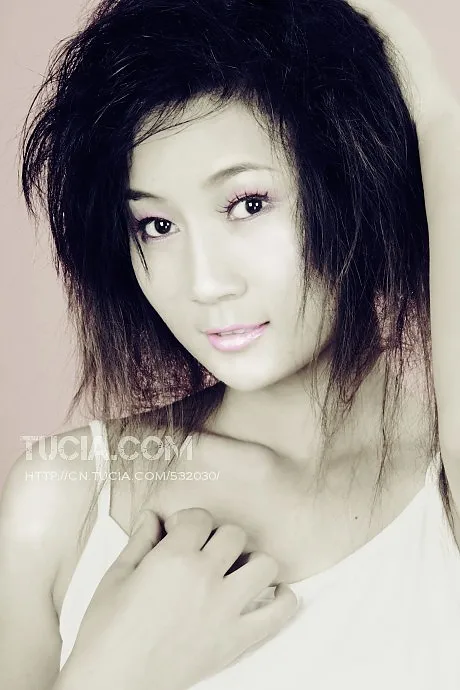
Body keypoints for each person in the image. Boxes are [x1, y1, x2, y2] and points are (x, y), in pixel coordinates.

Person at [1, 0, 460, 688]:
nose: (204, 282)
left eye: (247, 205)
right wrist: (116, 670)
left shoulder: (441, 486)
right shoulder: (63, 497)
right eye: (156, 225)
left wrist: (429, 108)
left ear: (356, 186)